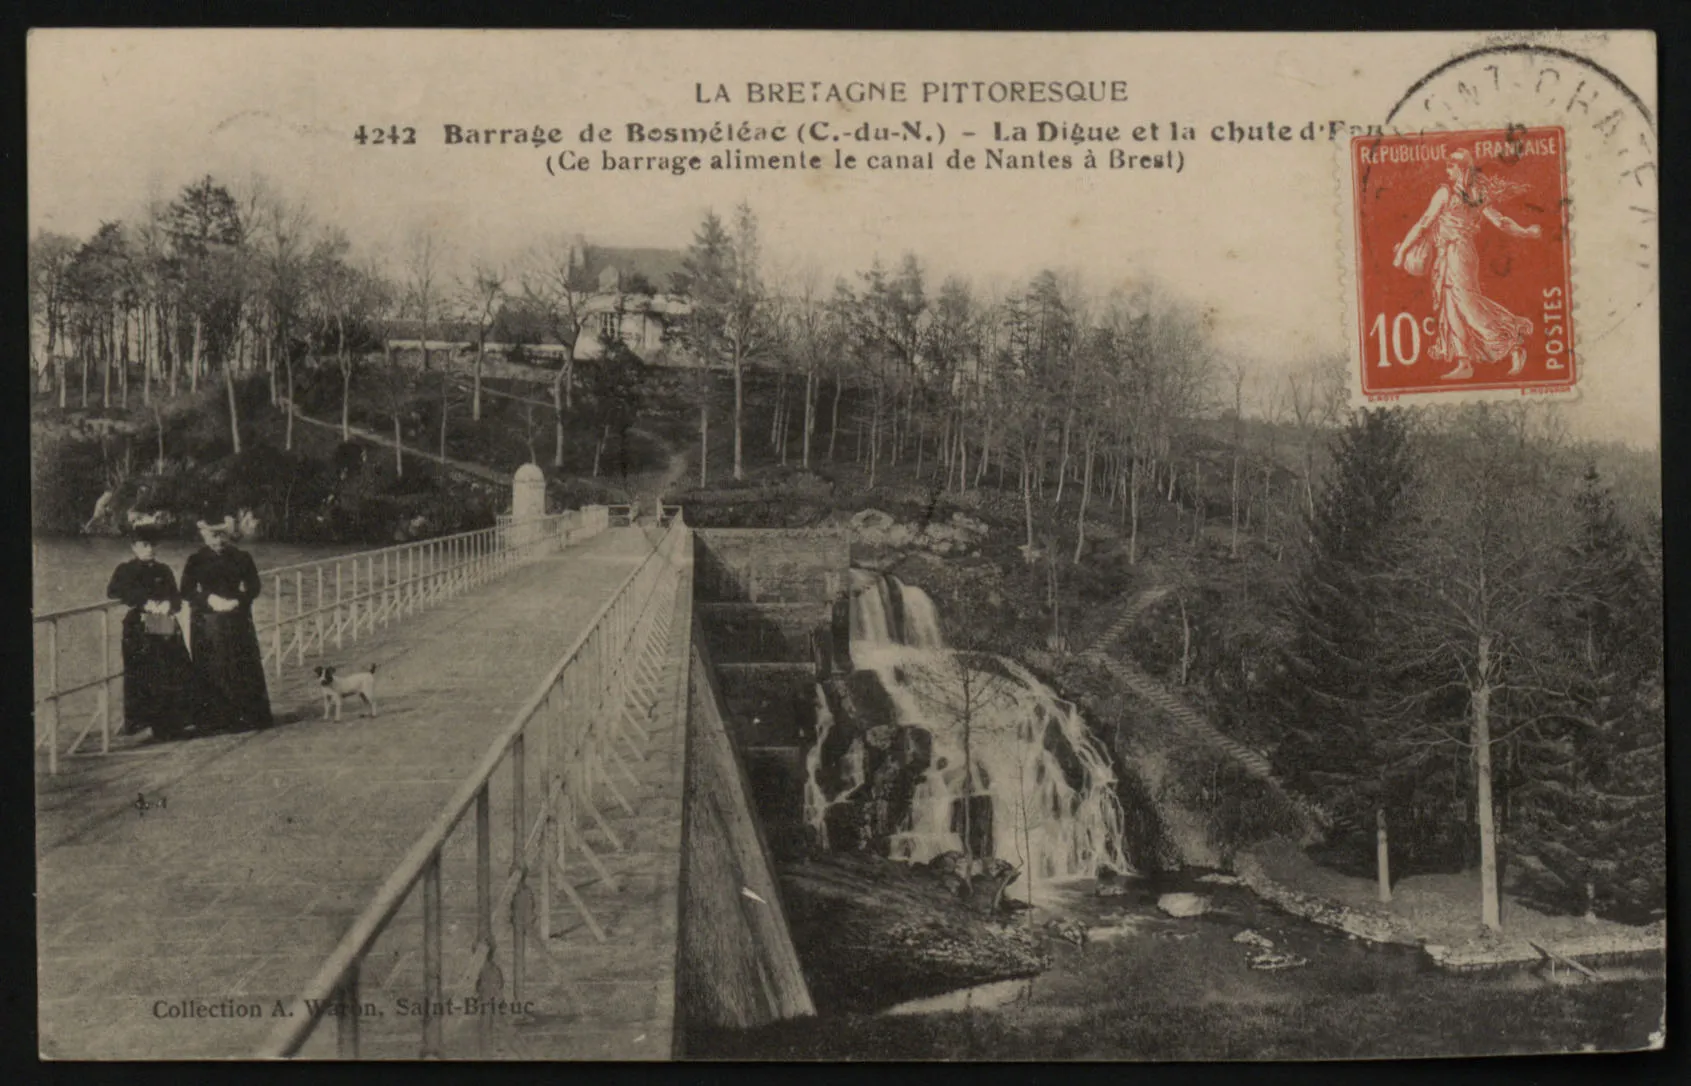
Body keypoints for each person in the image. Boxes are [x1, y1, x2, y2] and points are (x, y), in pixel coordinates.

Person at [1392, 148, 1543, 381]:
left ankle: (1512, 341)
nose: (1447, 170)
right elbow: (1501, 221)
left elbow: (1424, 223)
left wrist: (1402, 251)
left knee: (1466, 304)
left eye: (1451, 166)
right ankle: (1464, 362)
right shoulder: (1477, 194)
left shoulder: (1447, 193)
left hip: (1457, 253)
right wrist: (1526, 232)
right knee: (1451, 306)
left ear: (1461, 168)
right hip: (1453, 253)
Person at [181, 514, 273, 731]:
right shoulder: (195, 560)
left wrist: (237, 600)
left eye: (221, 535)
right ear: (204, 536)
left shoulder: (242, 557)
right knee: (212, 667)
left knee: (241, 665)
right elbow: (186, 590)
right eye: (212, 535)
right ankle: (214, 719)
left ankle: (246, 716)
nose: (218, 540)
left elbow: (254, 587)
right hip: (207, 620)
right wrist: (208, 599)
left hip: (236, 617)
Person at [105, 519, 194, 740]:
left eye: (152, 545)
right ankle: (142, 723)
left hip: (163, 621)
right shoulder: (126, 569)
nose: (149, 549)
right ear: (134, 547)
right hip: (140, 624)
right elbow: (114, 591)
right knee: (144, 672)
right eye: (144, 545)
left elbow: (176, 596)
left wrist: (168, 605)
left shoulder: (163, 570)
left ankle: (171, 723)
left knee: (171, 668)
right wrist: (145, 602)